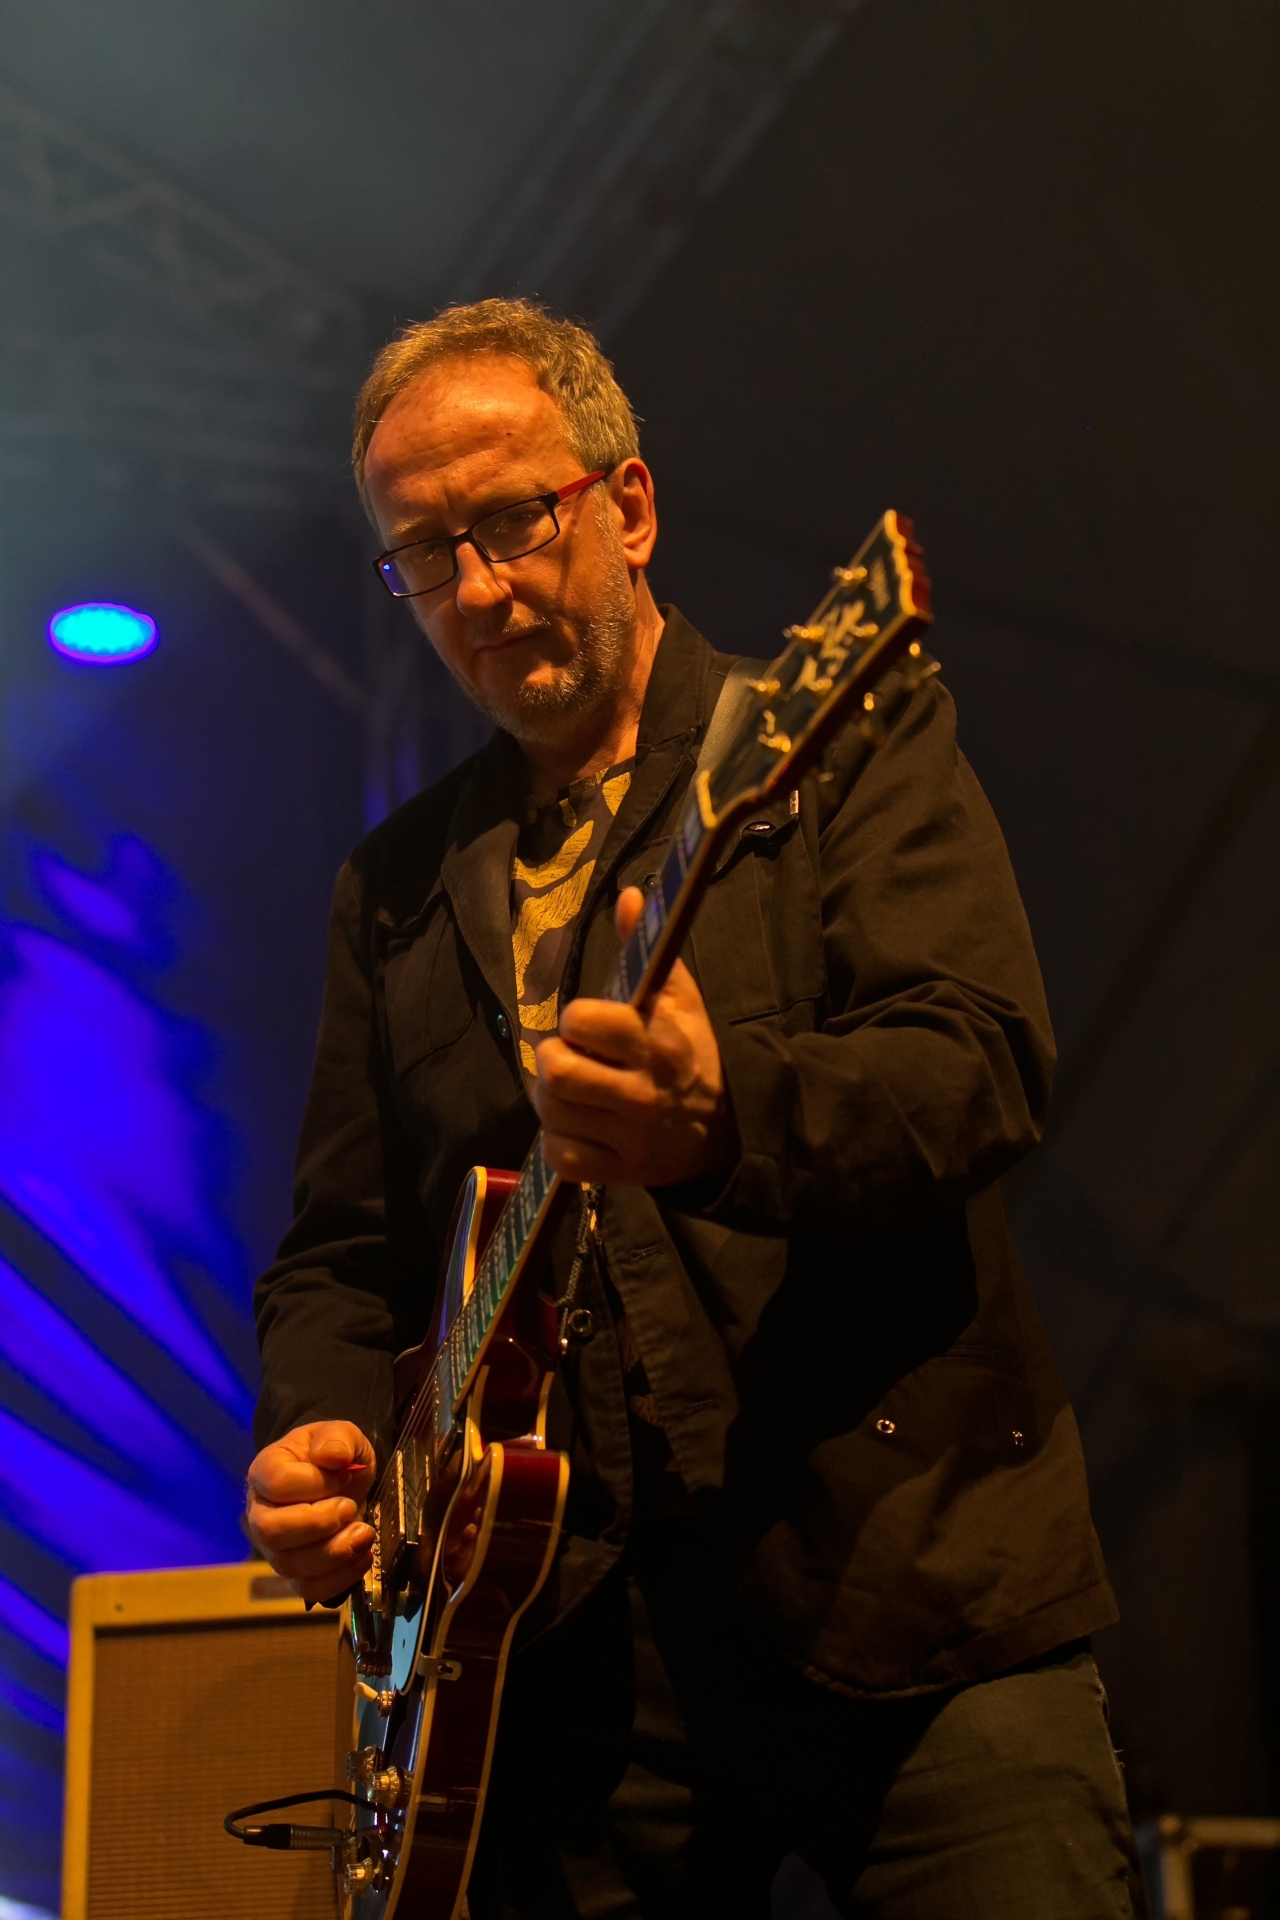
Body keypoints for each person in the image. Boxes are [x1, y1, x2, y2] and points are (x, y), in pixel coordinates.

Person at [245, 298, 1145, 1918]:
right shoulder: (391, 888)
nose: (478, 589)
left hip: (913, 1588)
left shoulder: (834, 734)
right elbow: (341, 1253)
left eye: (512, 521)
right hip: (571, 1670)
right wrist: (323, 1429)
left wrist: (725, 1121)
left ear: (632, 506)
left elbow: (980, 1064)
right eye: (425, 554)